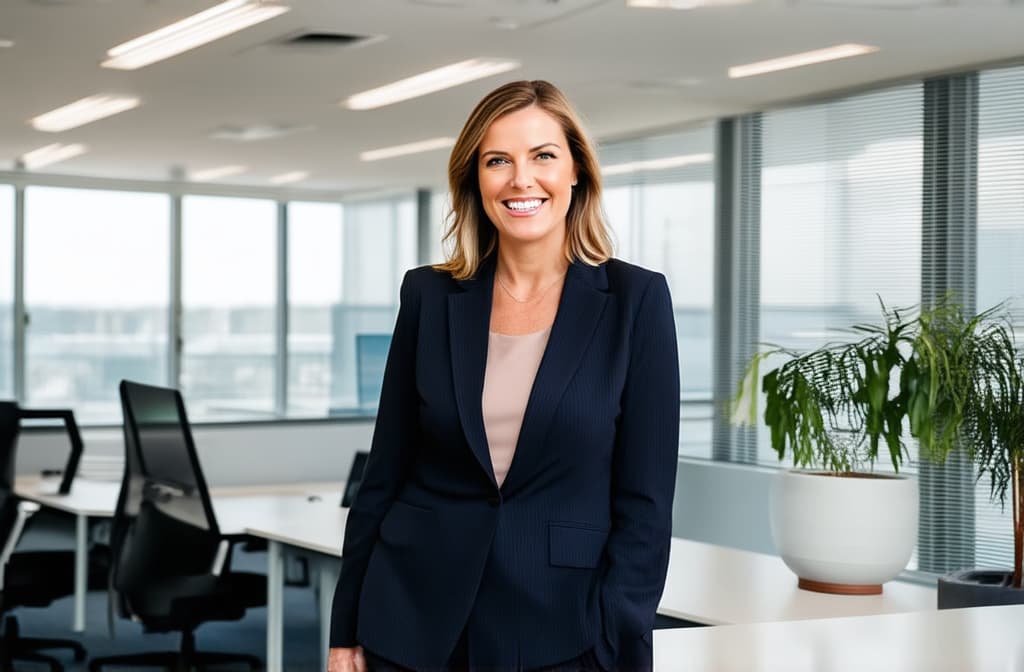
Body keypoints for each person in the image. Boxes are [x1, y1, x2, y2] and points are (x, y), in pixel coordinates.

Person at [328, 80, 679, 672]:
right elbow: (385, 473)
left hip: (565, 628)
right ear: (475, 181)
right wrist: (345, 632)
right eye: (498, 161)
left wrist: (618, 634)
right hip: (413, 617)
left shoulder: (634, 300)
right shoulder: (429, 295)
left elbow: (646, 502)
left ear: (576, 172)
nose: (522, 180)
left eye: (543, 156)